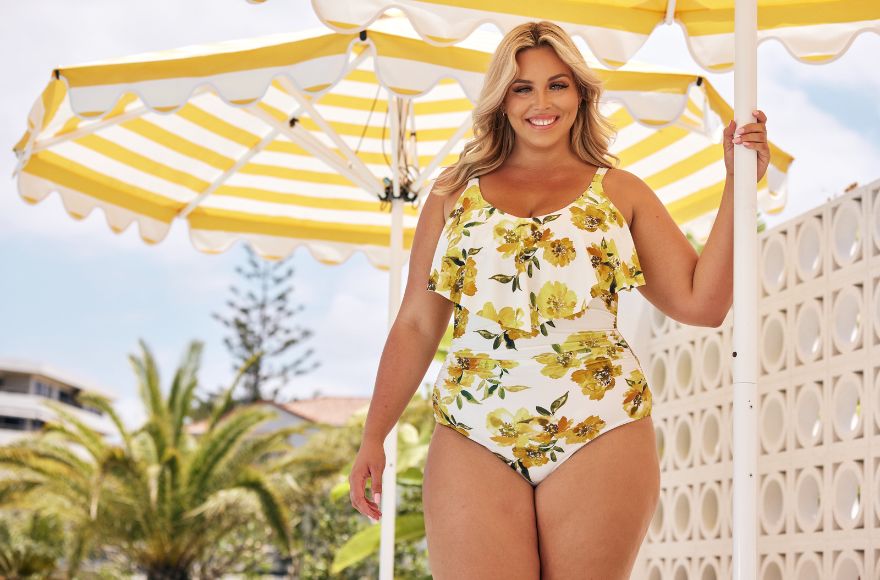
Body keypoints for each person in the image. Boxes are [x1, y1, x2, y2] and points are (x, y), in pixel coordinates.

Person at [350, 20, 770, 580]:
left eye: (558, 85)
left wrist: (738, 183)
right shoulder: (453, 194)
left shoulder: (619, 193)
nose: (540, 102)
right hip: (474, 428)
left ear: (581, 94)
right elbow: (417, 325)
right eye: (522, 88)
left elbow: (702, 303)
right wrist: (374, 435)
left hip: (600, 425)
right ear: (501, 100)